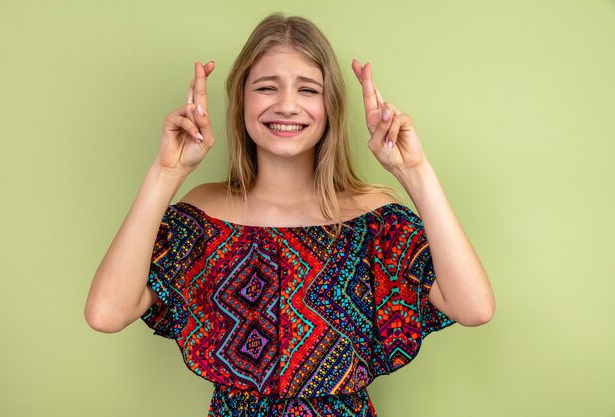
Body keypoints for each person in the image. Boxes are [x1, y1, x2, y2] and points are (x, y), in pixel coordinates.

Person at [85, 12, 495, 417]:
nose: (286, 105)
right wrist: (165, 173)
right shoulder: (202, 219)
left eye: (308, 90)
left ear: (330, 105)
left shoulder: (374, 222)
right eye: (266, 87)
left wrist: (414, 172)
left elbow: (473, 307)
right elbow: (106, 313)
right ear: (242, 99)